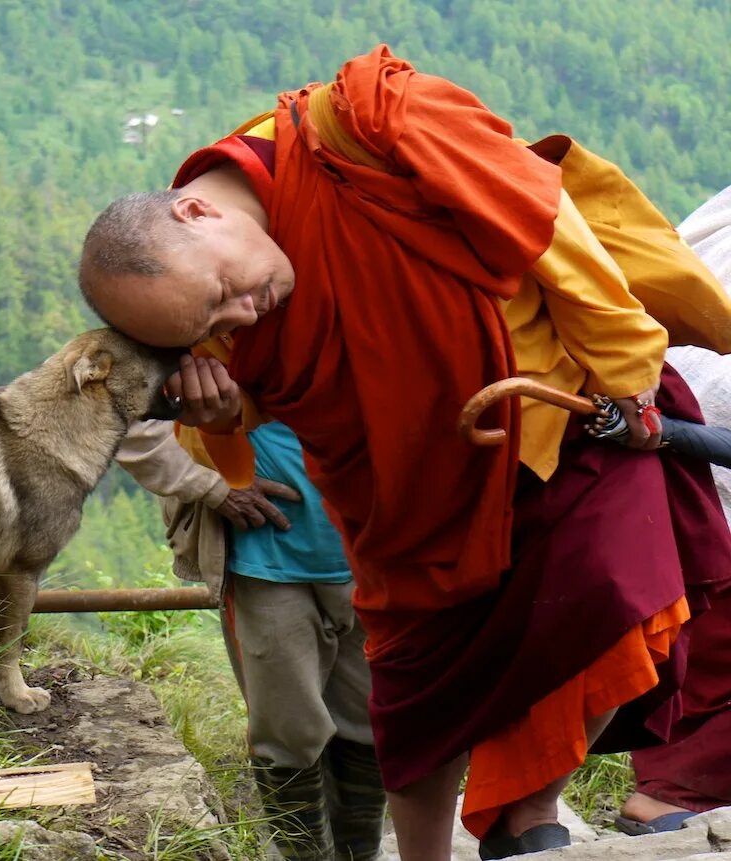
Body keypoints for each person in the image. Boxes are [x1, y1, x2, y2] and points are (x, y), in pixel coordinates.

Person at [79, 46, 731, 860]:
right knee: (420, 682)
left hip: (554, 412)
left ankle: (531, 812)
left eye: (227, 293)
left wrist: (630, 373)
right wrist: (220, 412)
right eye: (221, 318)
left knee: (612, 592)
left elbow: (549, 231)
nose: (244, 311)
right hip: (396, 488)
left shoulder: (370, 124)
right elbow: (274, 395)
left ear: (196, 213)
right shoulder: (205, 304)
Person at [115, 418, 388, 860]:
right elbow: (119, 412)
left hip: (378, 554)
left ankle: (362, 854)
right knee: (287, 732)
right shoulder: (193, 346)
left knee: (372, 723)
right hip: (262, 562)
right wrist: (209, 485)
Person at [616, 185, 731, 834]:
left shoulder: (712, 224)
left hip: (673, 491)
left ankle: (669, 792)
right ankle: (673, 799)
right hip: (694, 492)